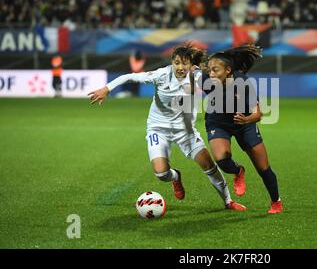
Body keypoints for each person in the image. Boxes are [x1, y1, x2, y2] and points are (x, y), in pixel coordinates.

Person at [87, 44, 246, 211]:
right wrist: (106, 88)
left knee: (209, 166)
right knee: (161, 174)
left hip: (185, 131)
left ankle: (228, 201)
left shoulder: (197, 75)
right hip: (158, 129)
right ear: (172, 62)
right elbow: (129, 77)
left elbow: (220, 76)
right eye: (177, 63)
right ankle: (176, 176)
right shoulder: (161, 75)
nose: (180, 67)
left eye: (184, 63)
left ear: (191, 65)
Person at [198, 45, 283, 214]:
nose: (211, 74)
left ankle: (276, 201)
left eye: (216, 70)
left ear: (228, 70)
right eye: (210, 70)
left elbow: (258, 114)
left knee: (263, 168)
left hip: (244, 123)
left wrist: (246, 119)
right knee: (221, 159)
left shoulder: (242, 83)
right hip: (218, 122)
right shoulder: (205, 78)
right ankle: (238, 170)